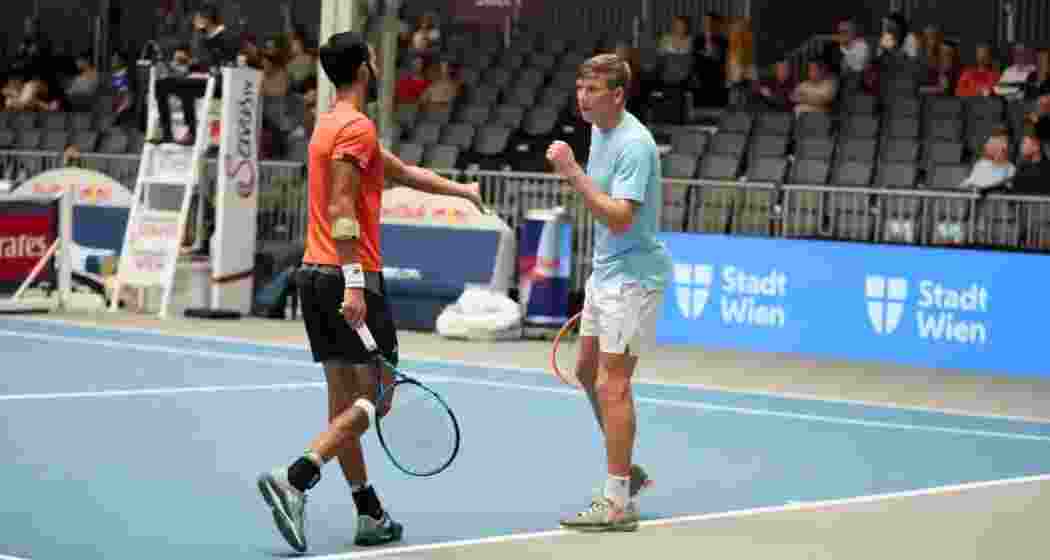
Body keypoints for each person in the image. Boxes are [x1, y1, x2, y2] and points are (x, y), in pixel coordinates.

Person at [256, 31, 484, 554]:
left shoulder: (331, 125)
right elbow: (341, 208)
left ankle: (369, 513)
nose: (380, 67)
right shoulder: (355, 127)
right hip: (347, 278)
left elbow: (399, 172)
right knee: (377, 398)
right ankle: (296, 477)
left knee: (343, 404)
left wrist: (462, 191)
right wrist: (357, 284)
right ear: (363, 68)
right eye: (376, 60)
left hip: (314, 276)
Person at [545, 53, 671, 532]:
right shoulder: (599, 128)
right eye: (580, 87)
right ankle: (628, 470)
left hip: (634, 278)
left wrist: (572, 172)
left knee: (612, 383)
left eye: (593, 89)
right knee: (586, 371)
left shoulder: (635, 144)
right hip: (607, 273)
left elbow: (621, 216)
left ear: (617, 95)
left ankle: (617, 500)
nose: (583, 96)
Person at [149, 3, 239, 146]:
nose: (194, 21)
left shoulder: (225, 36)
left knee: (186, 87)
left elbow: (224, 63)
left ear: (207, 18)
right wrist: (186, 64)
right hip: (202, 79)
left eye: (197, 18)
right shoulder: (202, 37)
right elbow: (199, 62)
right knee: (161, 85)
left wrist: (200, 64)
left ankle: (192, 133)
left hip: (220, 83)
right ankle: (167, 133)